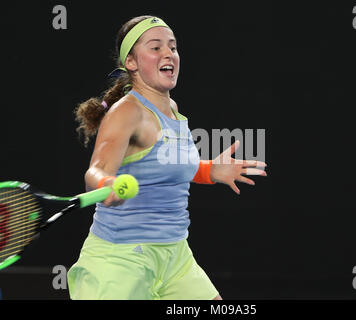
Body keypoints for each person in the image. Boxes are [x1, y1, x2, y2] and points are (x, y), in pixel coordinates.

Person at [67, 15, 267, 300]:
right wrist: (106, 184)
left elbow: (168, 167)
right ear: (131, 63)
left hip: (176, 256)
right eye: (156, 47)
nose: (168, 54)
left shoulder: (172, 109)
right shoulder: (127, 112)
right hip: (123, 259)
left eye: (172, 47)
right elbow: (95, 171)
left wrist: (210, 170)